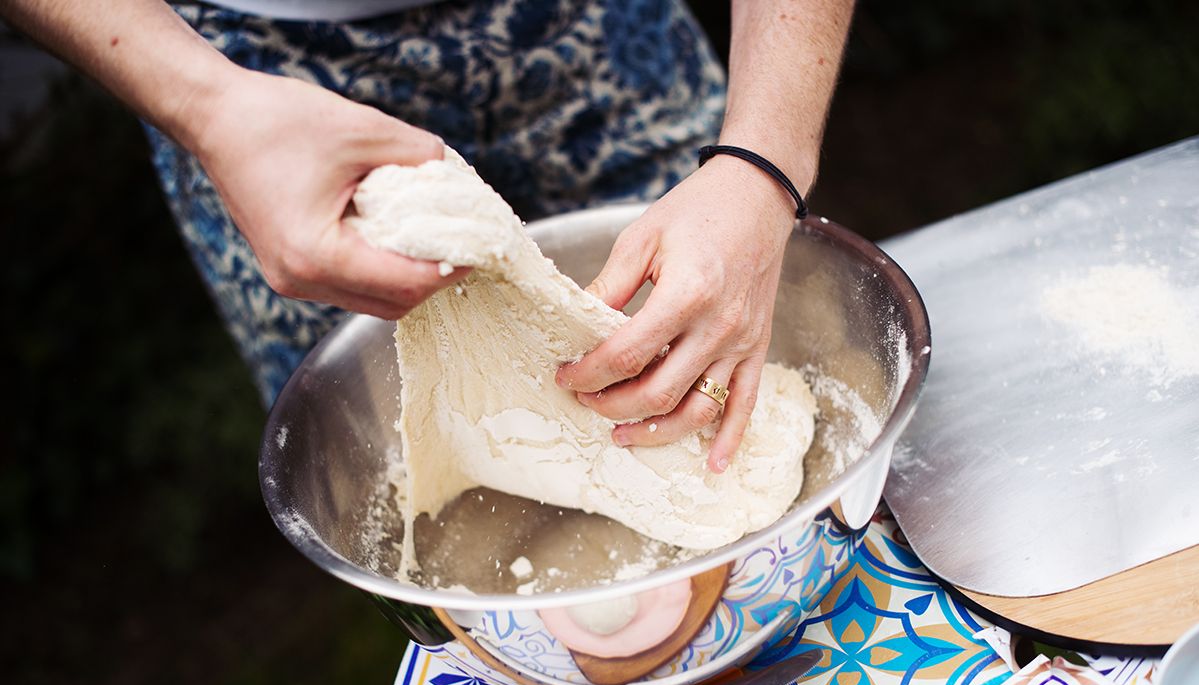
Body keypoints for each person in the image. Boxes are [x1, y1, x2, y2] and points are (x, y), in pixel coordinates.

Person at [2, 0, 852, 473]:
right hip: (247, 76)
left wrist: (760, 157)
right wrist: (204, 103)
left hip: (596, 30)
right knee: (400, 468)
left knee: (710, 394)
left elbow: (747, 196)